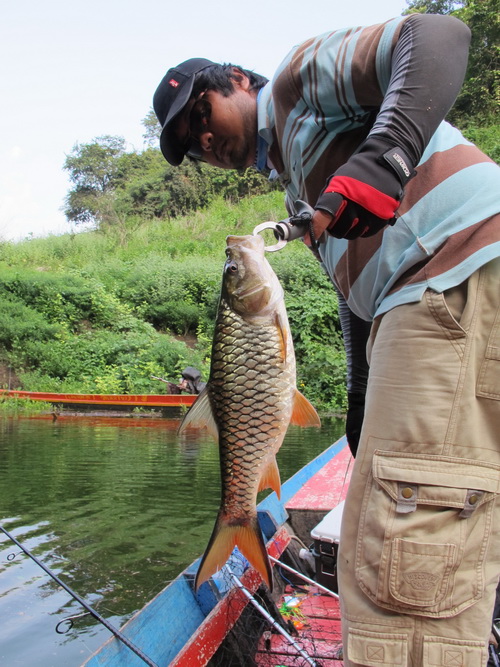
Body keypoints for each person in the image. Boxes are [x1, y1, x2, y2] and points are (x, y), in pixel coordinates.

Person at [153, 12, 500, 666]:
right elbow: (355, 287)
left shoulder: (292, 83)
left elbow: (436, 38)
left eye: (201, 113)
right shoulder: (293, 181)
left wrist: (389, 151)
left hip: (449, 276)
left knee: (396, 556)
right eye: (190, 144)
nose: (203, 138)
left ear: (236, 81)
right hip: (434, 298)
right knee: (441, 520)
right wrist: (361, 387)